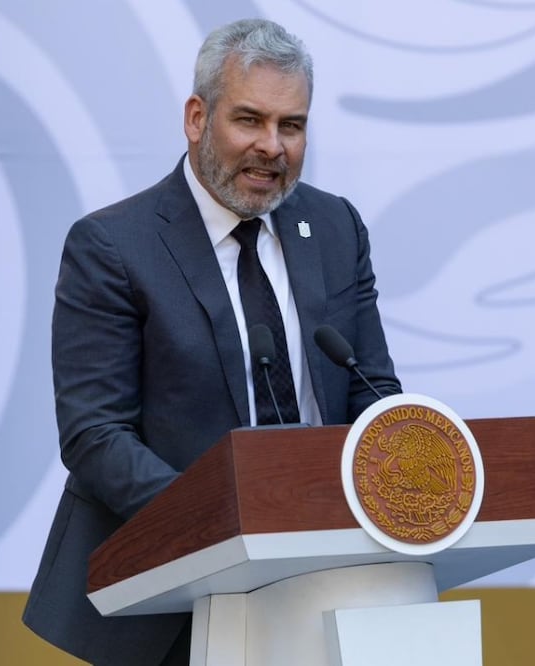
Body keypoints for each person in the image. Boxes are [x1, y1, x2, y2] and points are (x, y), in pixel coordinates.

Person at [23, 18, 402, 666]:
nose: (272, 146)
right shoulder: (114, 247)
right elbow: (95, 436)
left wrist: (409, 466)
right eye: (249, 120)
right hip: (171, 597)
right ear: (197, 118)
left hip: (330, 581)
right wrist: (224, 524)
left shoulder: (335, 227)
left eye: (291, 126)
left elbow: (372, 389)